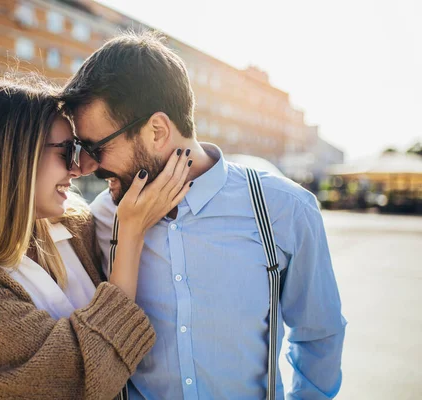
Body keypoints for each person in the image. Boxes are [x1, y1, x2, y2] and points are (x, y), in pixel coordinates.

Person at [62, 31, 346, 399]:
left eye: (95, 147)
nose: (84, 166)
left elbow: (319, 334)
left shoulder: (286, 209)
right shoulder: (98, 219)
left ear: (157, 131)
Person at [0, 76, 193, 400]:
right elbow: (73, 382)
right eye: (67, 151)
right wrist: (131, 237)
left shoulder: (78, 225)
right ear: (13, 157)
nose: (79, 168)